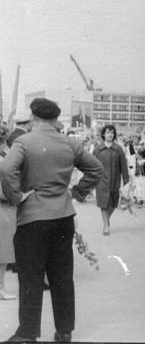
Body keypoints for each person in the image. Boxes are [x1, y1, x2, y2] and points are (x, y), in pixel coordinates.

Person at [0, 97, 103, 343]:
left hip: (33, 217)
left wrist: (16, 197)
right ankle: (65, 330)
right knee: (62, 276)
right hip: (63, 215)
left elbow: (6, 169)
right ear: (56, 118)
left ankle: (27, 333)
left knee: (31, 276)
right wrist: (76, 192)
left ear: (33, 117)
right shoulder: (70, 143)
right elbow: (96, 169)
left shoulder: (24, 142)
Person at [92, 125, 129, 236]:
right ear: (104, 134)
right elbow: (92, 165)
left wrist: (126, 181)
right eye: (108, 132)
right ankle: (106, 226)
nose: (110, 135)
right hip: (101, 181)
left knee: (113, 204)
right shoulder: (98, 149)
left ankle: (106, 219)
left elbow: (123, 166)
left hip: (115, 181)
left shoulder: (118, 149)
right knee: (103, 203)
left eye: (112, 133)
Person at [0, 124, 16, 301]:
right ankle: (0, 288)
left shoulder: (5, 154)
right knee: (3, 250)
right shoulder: (3, 158)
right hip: (3, 208)